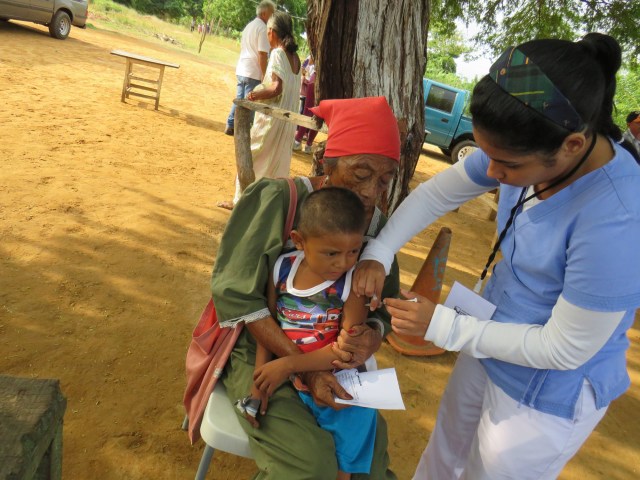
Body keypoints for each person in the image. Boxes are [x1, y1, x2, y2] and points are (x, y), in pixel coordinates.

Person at [355, 33, 640, 479]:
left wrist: (443, 326)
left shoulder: (620, 218)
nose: (490, 174)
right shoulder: (529, 148)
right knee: (444, 454)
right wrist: (381, 249)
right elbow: (439, 193)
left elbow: (564, 348)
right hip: (487, 334)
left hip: (545, 388)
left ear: (572, 145)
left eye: (506, 165)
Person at [211, 96, 401, 479]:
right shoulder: (279, 200)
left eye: (384, 179)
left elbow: (383, 307)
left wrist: (373, 336)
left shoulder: (377, 227)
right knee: (312, 465)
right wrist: (303, 370)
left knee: (369, 465)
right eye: (361, 173)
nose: (370, 192)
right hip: (262, 348)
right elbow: (235, 296)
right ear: (328, 163)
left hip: (331, 358)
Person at [238, 187, 378, 480]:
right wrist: (260, 381)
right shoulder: (281, 269)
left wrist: (287, 365)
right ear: (299, 241)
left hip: (337, 378)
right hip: (288, 378)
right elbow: (270, 327)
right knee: (301, 459)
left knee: (350, 436)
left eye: (353, 251)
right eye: (332, 253)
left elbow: (345, 351)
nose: (344, 263)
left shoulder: (353, 283)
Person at [218, 10, 301, 210]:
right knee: (276, 163)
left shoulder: (278, 54)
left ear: (272, 31)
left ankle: (240, 203)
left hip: (272, 120)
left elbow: (275, 87)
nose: (267, 37)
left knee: (251, 156)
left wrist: (254, 96)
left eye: (267, 33)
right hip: (287, 122)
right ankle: (267, 207)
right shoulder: (296, 58)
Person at [224, 1, 275, 137]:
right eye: (271, 14)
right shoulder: (263, 28)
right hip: (253, 70)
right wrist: (265, 75)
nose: (273, 17)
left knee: (240, 99)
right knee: (249, 102)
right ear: (264, 13)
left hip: (242, 68)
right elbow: (262, 54)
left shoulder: (249, 26)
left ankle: (230, 125)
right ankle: (244, 130)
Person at [293, 54, 318, 154]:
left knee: (307, 111)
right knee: (319, 115)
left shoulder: (316, 49)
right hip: (329, 82)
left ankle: (297, 141)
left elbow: (307, 63)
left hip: (314, 79)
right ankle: (308, 145)